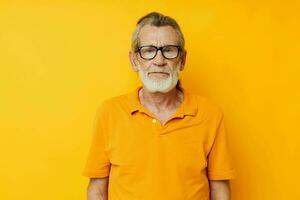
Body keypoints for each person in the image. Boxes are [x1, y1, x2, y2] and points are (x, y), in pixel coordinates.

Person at [82, 11, 236, 200]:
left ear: (183, 60)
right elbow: (97, 190)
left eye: (169, 50)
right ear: (134, 61)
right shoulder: (110, 113)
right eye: (148, 50)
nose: (159, 60)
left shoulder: (210, 114)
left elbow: (220, 190)